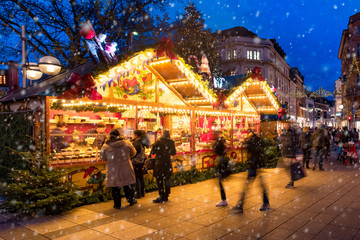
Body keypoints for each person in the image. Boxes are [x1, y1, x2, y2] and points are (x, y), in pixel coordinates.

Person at [100, 129, 137, 209]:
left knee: (115, 186)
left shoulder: (106, 146)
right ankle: (131, 200)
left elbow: (102, 157)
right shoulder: (127, 143)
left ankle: (117, 204)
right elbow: (133, 153)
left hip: (113, 168)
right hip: (126, 167)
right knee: (127, 185)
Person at [235, 133, 270, 213]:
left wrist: (246, 142)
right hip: (256, 165)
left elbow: (252, 149)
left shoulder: (252, 143)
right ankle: (265, 203)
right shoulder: (256, 142)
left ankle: (240, 205)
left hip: (254, 165)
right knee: (257, 185)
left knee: (249, 185)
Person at [150, 129, 176, 203]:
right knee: (167, 178)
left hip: (159, 162)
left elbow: (152, 152)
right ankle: (167, 194)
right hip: (167, 162)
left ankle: (161, 195)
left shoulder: (158, 142)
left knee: (159, 179)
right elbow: (173, 153)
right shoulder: (171, 142)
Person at [131, 130, 150, 199]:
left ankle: (138, 193)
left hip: (136, 162)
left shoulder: (136, 143)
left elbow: (132, 153)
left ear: (136, 135)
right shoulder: (142, 141)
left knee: (136, 178)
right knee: (141, 177)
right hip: (141, 162)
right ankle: (142, 192)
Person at [279, 124, 298, 188]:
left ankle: (291, 182)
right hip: (287, 152)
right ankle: (292, 181)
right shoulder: (286, 133)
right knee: (288, 167)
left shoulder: (291, 133)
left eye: (286, 125)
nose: (285, 126)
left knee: (289, 167)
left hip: (290, 152)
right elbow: (281, 141)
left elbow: (294, 142)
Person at [213, 131, 229, 207]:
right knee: (220, 181)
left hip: (221, 161)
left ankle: (224, 200)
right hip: (222, 161)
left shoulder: (218, 142)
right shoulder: (222, 142)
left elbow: (217, 150)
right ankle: (224, 199)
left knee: (220, 181)